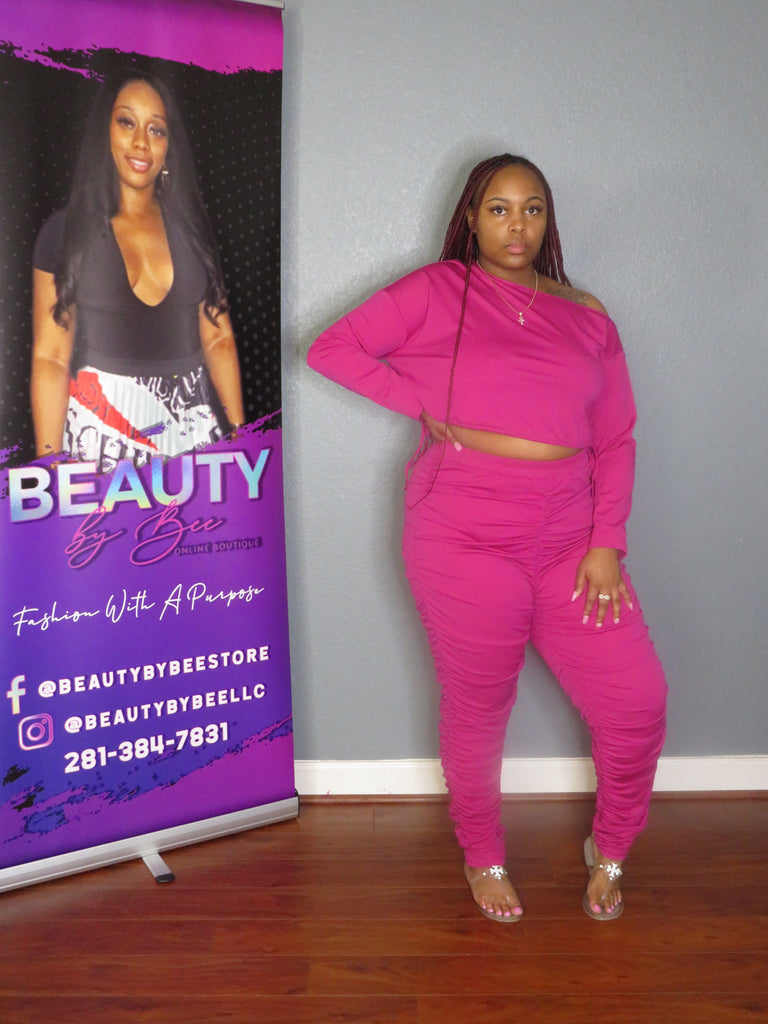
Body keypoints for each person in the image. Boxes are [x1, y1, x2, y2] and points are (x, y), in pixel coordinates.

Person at [307, 154, 667, 923]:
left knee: (637, 703)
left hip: (572, 535)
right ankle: (483, 855)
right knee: (479, 704)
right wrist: (418, 402)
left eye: (532, 208)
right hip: (461, 529)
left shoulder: (587, 312)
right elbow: (330, 348)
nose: (517, 225)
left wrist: (607, 541)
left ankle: (609, 851)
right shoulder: (438, 289)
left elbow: (617, 438)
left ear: (548, 219)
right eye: (498, 208)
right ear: (471, 218)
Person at [31, 67, 244, 471]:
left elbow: (218, 337)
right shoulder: (64, 232)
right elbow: (51, 357)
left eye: (156, 129)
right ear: (104, 131)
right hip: (101, 432)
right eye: (127, 122)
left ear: (168, 145)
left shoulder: (192, 229)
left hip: (193, 429)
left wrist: (240, 435)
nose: (141, 142)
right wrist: (49, 461)